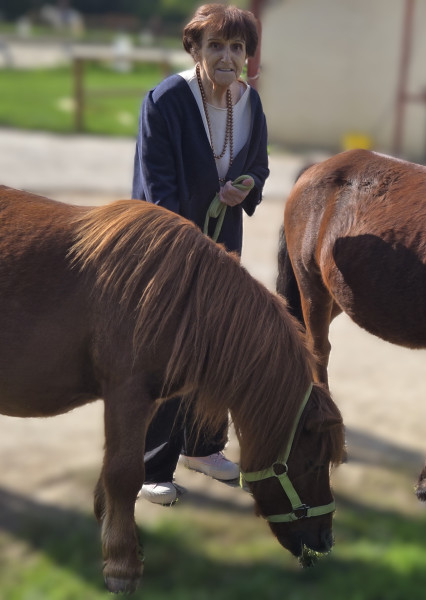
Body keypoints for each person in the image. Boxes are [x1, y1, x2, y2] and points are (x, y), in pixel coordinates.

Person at [132, 3, 269, 505]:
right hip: (167, 244)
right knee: (171, 350)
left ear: (247, 55)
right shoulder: (165, 100)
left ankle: (204, 447)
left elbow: (259, 164)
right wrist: (188, 251)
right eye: (216, 46)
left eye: (237, 47)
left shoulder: (250, 103)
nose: (227, 57)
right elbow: (157, 186)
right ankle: (150, 467)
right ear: (195, 49)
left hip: (223, 239)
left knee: (216, 343)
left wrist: (248, 183)